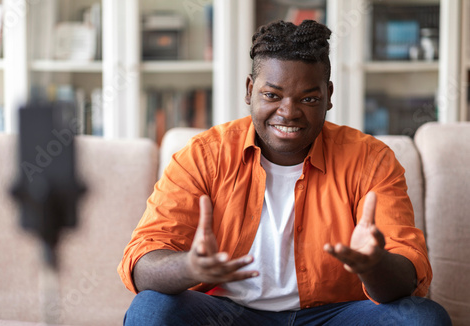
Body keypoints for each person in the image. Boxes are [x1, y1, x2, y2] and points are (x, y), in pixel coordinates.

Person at [118, 20, 451, 325]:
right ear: (250, 90)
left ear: (328, 96)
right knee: (151, 310)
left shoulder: (370, 159)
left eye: (307, 97)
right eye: (271, 95)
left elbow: (408, 274)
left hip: (334, 316)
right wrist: (190, 266)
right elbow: (142, 261)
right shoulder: (204, 155)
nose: (288, 112)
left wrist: (372, 264)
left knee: (421, 319)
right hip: (228, 315)